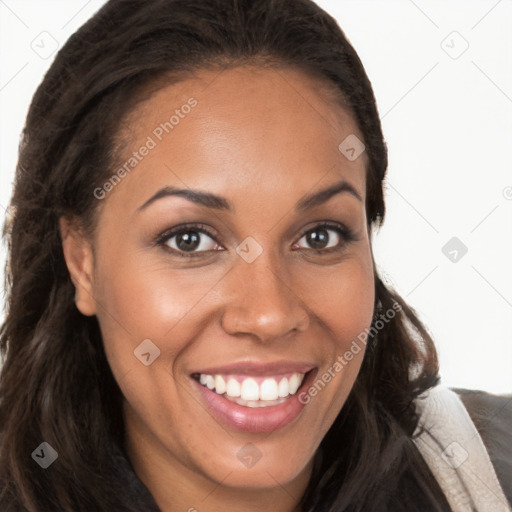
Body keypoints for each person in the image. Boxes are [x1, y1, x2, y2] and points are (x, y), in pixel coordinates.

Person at [0, 1, 510, 511]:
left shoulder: (486, 474)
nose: (269, 314)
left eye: (319, 236)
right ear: (82, 262)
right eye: (190, 240)